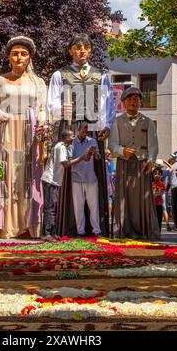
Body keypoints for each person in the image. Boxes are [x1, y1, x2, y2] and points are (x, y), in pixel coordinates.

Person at [47, 33, 116, 237]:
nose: (82, 50)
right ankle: (70, 227)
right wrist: (62, 109)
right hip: (70, 128)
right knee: (69, 172)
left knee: (95, 173)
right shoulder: (59, 75)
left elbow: (108, 103)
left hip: (94, 128)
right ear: (70, 51)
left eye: (85, 47)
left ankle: (97, 228)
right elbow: (51, 103)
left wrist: (108, 125)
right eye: (77, 47)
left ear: (91, 50)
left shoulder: (101, 75)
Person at [0, 36, 47, 239]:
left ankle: (28, 225)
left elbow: (42, 108)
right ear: (9, 57)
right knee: (6, 174)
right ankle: (4, 226)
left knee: (27, 175)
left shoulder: (38, 83)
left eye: (23, 53)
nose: (19, 57)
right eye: (15, 53)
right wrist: (2, 115)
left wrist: (42, 132)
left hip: (29, 134)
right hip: (6, 131)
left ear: (29, 57)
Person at [108, 87, 160, 240]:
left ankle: (145, 230)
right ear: (123, 102)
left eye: (136, 100)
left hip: (142, 164)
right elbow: (111, 144)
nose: (133, 102)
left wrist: (151, 161)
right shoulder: (116, 121)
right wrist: (122, 151)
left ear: (140, 103)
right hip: (124, 164)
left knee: (142, 199)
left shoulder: (148, 121)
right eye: (130, 100)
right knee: (124, 197)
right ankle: (123, 229)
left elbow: (153, 144)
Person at [41, 129, 92, 241]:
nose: (74, 138)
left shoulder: (65, 147)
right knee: (49, 207)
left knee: (54, 206)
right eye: (72, 136)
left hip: (55, 181)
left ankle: (52, 233)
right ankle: (46, 233)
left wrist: (84, 157)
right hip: (50, 180)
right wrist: (81, 158)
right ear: (66, 137)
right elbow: (65, 164)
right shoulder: (60, 147)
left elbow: (69, 159)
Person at [71, 123, 102, 237]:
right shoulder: (72, 142)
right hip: (76, 178)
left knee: (93, 206)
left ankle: (96, 231)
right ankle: (80, 231)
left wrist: (95, 152)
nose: (85, 134)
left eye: (87, 132)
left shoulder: (92, 141)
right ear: (78, 130)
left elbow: (98, 158)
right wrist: (82, 157)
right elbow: (70, 159)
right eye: (83, 131)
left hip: (91, 178)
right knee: (78, 207)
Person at [166, 151, 177, 231]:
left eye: (174, 157)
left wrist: (167, 188)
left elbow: (169, 178)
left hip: (174, 188)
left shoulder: (173, 165)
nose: (173, 158)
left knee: (175, 208)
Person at [152, 168, 166, 232]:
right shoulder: (150, 184)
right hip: (151, 205)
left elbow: (160, 193)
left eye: (158, 174)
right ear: (152, 175)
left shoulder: (162, 184)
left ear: (161, 175)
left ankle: (158, 232)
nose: (156, 175)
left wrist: (154, 194)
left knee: (158, 219)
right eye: (155, 174)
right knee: (152, 219)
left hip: (159, 204)